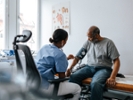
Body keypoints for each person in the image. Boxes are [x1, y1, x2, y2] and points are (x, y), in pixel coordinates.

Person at [66, 26, 120, 100]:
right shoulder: (88, 42)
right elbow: (78, 57)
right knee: (74, 77)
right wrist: (70, 68)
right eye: (88, 36)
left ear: (97, 35)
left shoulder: (108, 43)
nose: (88, 39)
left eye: (90, 37)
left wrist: (112, 77)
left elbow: (116, 61)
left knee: (95, 83)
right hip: (89, 67)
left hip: (104, 69)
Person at [35, 29, 81, 100]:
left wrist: (66, 58)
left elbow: (50, 59)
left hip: (35, 84)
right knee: (78, 89)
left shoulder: (44, 47)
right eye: (66, 40)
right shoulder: (60, 55)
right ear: (63, 41)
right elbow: (62, 77)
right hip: (46, 86)